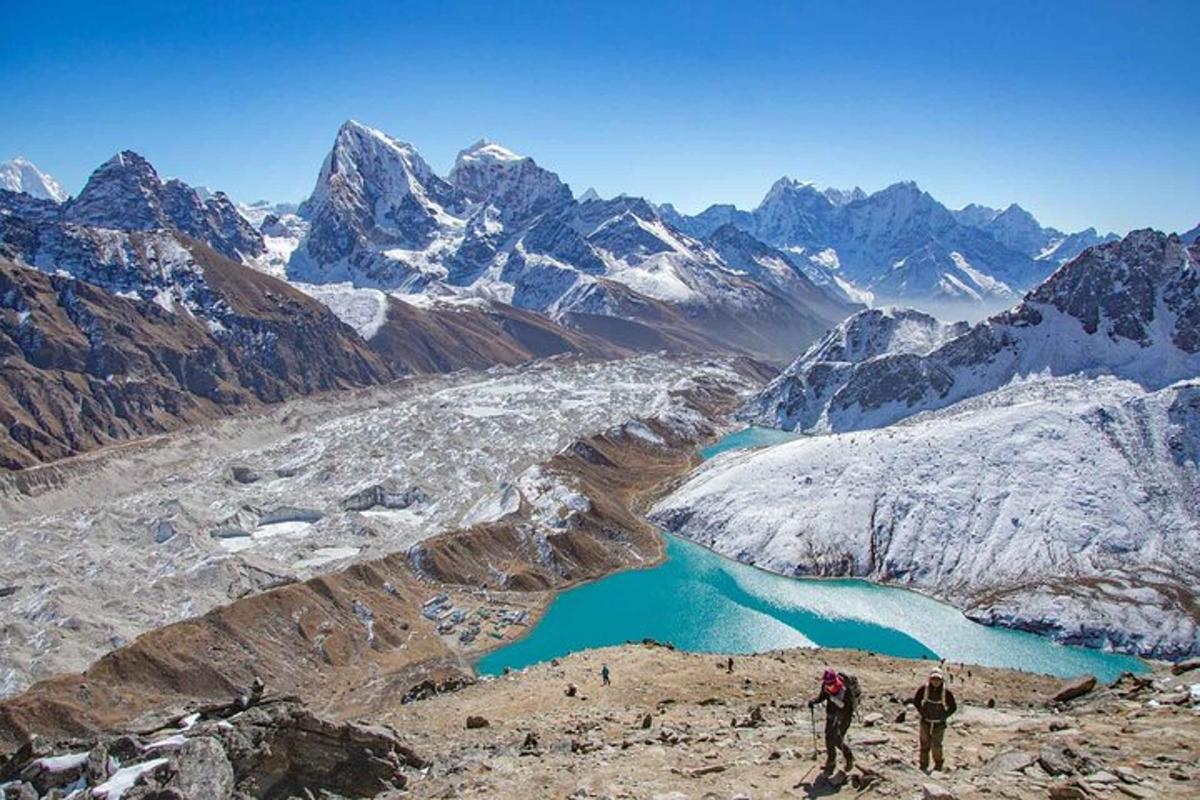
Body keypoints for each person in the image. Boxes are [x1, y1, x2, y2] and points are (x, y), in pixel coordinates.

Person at [808, 669, 855, 774]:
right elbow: (822, 696)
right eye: (826, 682)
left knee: (837, 739)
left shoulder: (844, 689)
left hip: (844, 717)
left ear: (834, 680)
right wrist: (814, 701)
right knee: (829, 738)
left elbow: (847, 707)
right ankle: (831, 763)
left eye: (830, 683)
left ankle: (849, 758)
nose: (827, 685)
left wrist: (834, 699)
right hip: (831, 714)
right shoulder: (826, 685)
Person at [912, 667, 957, 771]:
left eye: (938, 679)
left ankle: (938, 764)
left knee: (936, 745)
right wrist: (922, 712)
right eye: (933, 679)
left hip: (939, 723)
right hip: (926, 721)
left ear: (942, 680)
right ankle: (923, 765)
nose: (935, 681)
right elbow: (916, 701)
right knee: (924, 744)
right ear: (930, 679)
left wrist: (944, 716)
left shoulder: (946, 693)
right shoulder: (924, 690)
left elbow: (953, 707)